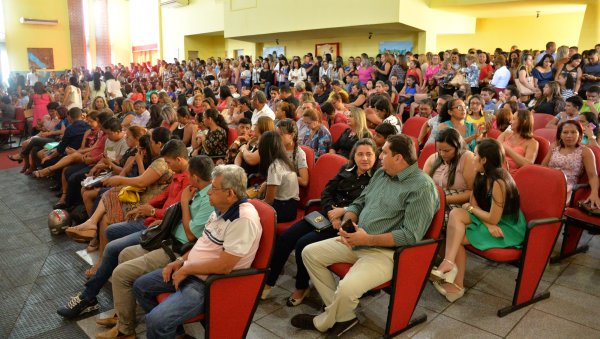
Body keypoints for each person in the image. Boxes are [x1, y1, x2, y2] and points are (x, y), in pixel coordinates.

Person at [291, 134, 439, 336]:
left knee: (346, 289)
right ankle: (344, 317)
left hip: (385, 252)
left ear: (398, 158)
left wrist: (367, 239)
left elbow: (410, 236)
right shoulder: (381, 174)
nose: (379, 156)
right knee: (309, 253)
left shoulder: (422, 187)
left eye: (384, 152)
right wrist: (347, 223)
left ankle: (324, 322)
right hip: (358, 239)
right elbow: (359, 203)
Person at [56, 139, 192, 319]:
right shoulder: (177, 174)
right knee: (110, 231)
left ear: (180, 159)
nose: (167, 166)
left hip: (162, 229)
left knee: (115, 248)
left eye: (169, 162)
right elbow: (165, 197)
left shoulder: (189, 180)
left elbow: (177, 210)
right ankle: (105, 274)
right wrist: (145, 207)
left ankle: (88, 297)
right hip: (155, 220)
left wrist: (152, 211)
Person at [132, 165, 262, 339]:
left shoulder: (243, 220)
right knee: (141, 286)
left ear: (230, 193)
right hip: (192, 270)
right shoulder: (220, 209)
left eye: (214, 189)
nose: (209, 192)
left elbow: (224, 266)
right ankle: (176, 334)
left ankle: (165, 328)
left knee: (156, 321)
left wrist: (187, 269)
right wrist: (179, 262)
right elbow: (202, 243)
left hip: (208, 284)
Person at [94, 155, 216, 339]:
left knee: (121, 273)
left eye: (189, 174)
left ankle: (125, 330)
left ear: (196, 177)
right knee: (125, 254)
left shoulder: (207, 199)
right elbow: (168, 205)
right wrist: (160, 217)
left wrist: (184, 202)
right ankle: (125, 316)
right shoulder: (195, 190)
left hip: (178, 249)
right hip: (167, 238)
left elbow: (191, 235)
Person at [262, 138, 378, 306]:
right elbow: (326, 192)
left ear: (375, 156)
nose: (364, 158)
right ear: (354, 155)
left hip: (345, 224)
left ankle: (302, 287)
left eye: (369, 154)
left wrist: (341, 216)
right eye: (360, 154)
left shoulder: (376, 179)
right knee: (287, 237)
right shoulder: (347, 168)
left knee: (302, 244)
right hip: (327, 214)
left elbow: (366, 205)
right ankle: (268, 282)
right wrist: (331, 211)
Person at [67, 127, 173, 276]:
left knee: (108, 206)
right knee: (108, 202)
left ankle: (98, 249)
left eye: (152, 142)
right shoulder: (157, 159)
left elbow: (142, 182)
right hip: (144, 198)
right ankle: (92, 230)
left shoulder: (162, 161)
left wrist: (120, 178)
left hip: (146, 204)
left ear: (159, 144)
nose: (149, 145)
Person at [431, 138, 526, 302]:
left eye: (475, 155)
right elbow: (473, 203)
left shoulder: (499, 182)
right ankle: (448, 263)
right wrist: (485, 221)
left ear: (484, 160)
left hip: (507, 226)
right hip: (490, 219)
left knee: (457, 236)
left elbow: (491, 216)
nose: (472, 157)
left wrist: (479, 215)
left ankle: (457, 283)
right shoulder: (480, 174)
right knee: (456, 215)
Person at [542, 120, 600, 205]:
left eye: (573, 132)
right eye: (565, 132)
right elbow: (542, 166)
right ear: (560, 135)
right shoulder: (554, 147)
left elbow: (593, 176)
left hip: (567, 188)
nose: (569, 135)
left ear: (580, 134)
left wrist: (594, 193)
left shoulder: (585, 151)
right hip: (548, 182)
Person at [423, 128, 475, 210]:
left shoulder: (467, 158)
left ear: (457, 147)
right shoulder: (433, 158)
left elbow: (473, 192)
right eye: (439, 150)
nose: (442, 154)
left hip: (458, 205)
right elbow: (423, 186)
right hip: (433, 200)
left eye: (447, 151)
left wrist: (443, 199)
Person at [257, 131, 299, 222]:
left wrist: (253, 203)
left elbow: (269, 201)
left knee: (250, 212)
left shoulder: (274, 167)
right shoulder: (284, 161)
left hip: (283, 209)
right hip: (292, 206)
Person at [497, 109, 539, 175]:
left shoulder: (532, 143)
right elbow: (493, 150)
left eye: (513, 119)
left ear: (523, 122)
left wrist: (507, 149)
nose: (510, 121)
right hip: (496, 169)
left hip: (512, 176)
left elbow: (528, 164)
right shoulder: (505, 134)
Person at [276, 118, 309, 187]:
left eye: (281, 134)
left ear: (291, 136)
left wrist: (282, 175)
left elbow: (304, 181)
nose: (277, 138)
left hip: (288, 191)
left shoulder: (299, 154)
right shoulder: (277, 149)